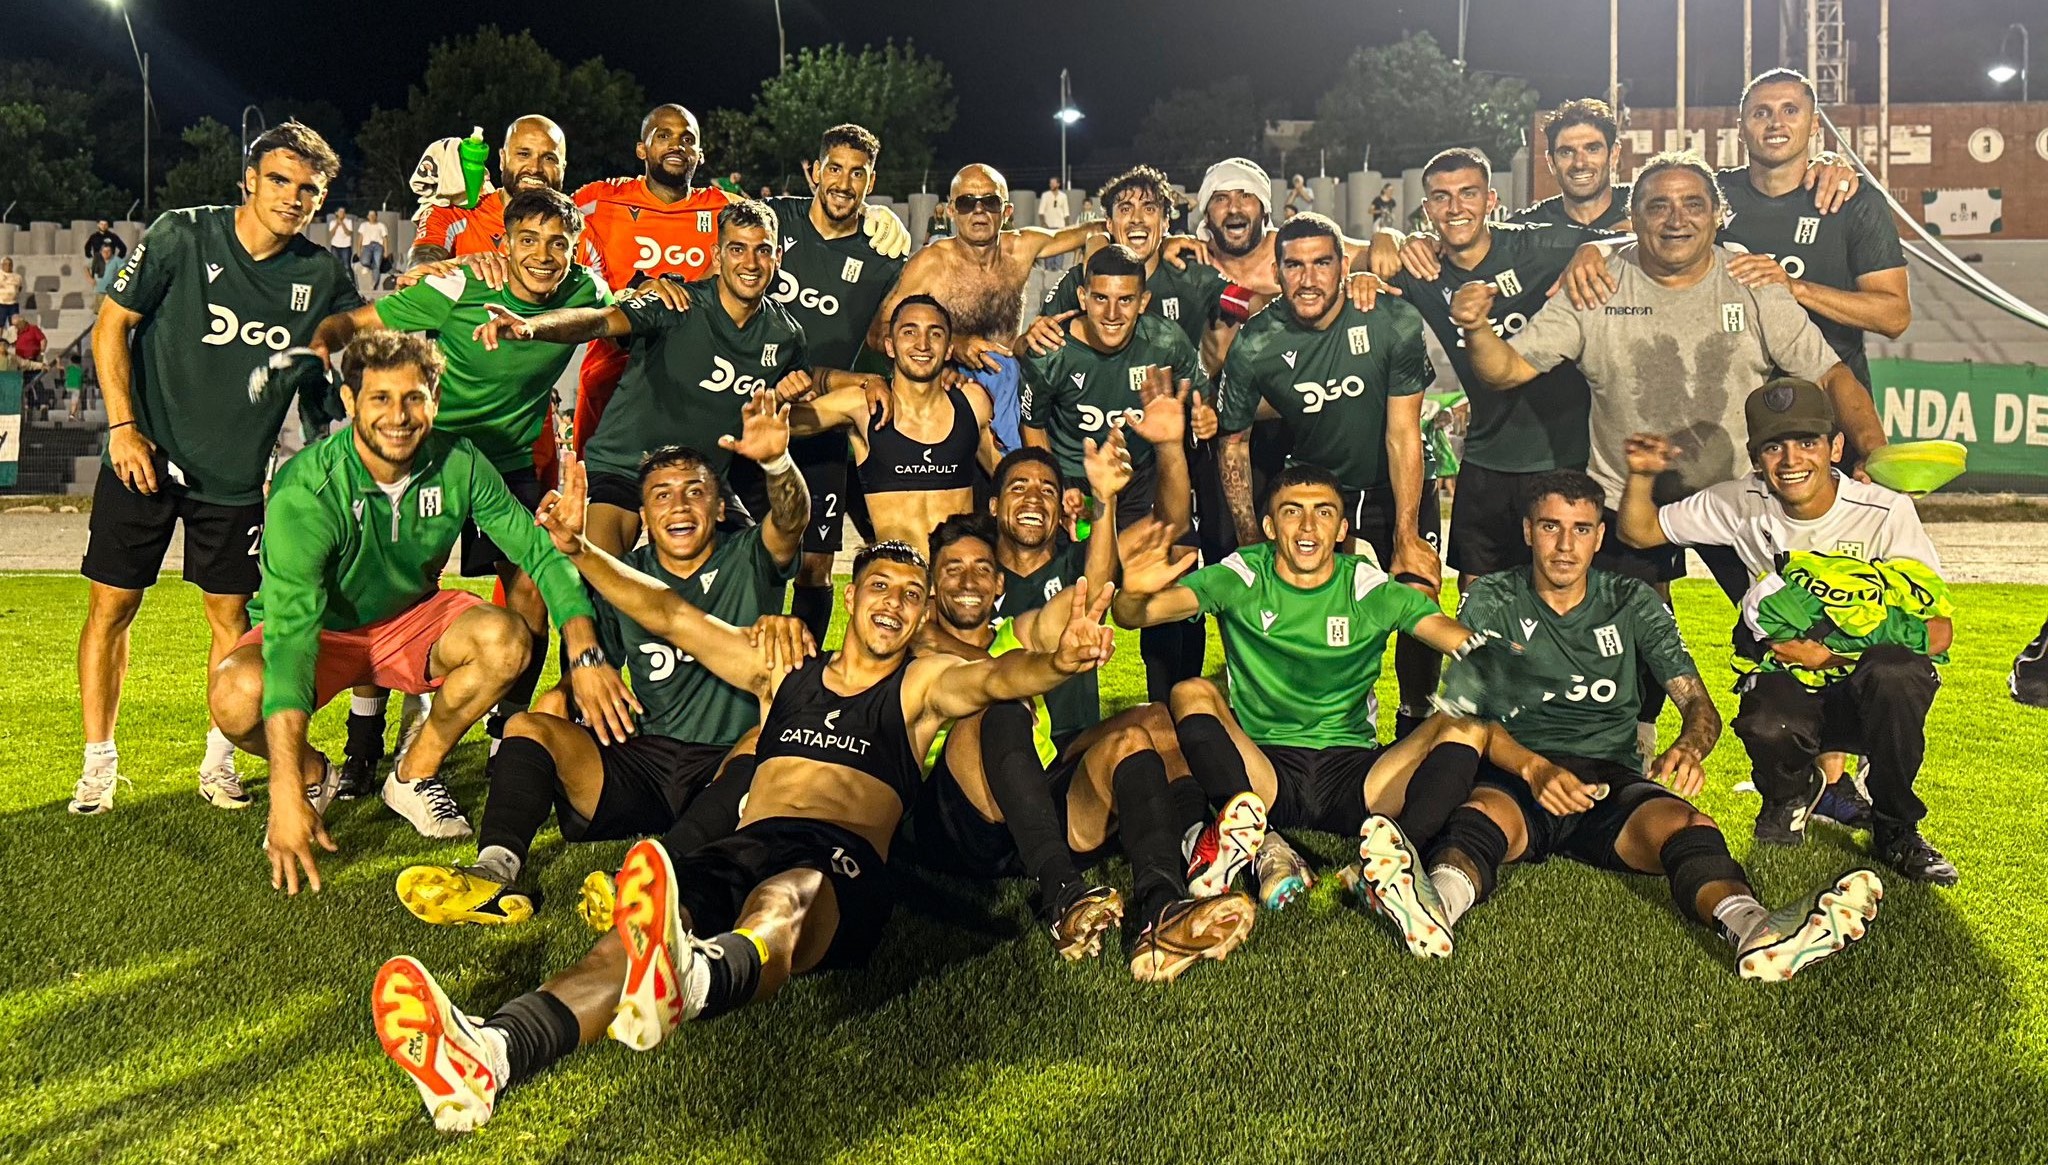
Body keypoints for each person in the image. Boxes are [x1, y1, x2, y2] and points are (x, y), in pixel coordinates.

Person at [369, 472, 1120, 1133]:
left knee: (786, 899)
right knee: (624, 950)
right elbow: (671, 615)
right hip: (745, 840)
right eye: (882, 586)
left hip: (837, 860)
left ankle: (695, 979)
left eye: (912, 596)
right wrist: (581, 552)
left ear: (924, 617)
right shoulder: (784, 671)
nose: (895, 603)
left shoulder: (919, 688)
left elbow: (995, 681)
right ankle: (494, 1051)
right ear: (853, 594)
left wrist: (1059, 659)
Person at [1354, 468, 1884, 982]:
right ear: (1527, 532)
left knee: (1689, 828)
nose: (1565, 545)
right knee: (1479, 818)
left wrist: (1688, 746)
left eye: (1580, 529)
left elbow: (1698, 705)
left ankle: (1755, 930)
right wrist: (1536, 771)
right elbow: (1471, 717)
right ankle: (1433, 906)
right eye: (1550, 527)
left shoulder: (1631, 602)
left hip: (1607, 777)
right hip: (1518, 768)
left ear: (1599, 536)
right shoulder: (1493, 598)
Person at [209, 331, 617, 863]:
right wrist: (286, 784)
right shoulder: (306, 489)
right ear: (351, 401)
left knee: (506, 641)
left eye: (413, 398)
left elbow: (538, 554)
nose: (398, 416)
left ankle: (413, 773)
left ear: (436, 400)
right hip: (323, 631)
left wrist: (585, 651)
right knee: (235, 696)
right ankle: (315, 775)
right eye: (380, 398)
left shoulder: (459, 461)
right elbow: (290, 639)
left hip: (411, 620)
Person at [394, 412, 807, 925]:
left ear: (720, 506)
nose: (678, 505)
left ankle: (648, 883)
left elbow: (790, 519)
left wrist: (777, 461)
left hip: (727, 766)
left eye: (694, 492)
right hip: (650, 761)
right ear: (644, 514)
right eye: (661, 495)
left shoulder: (750, 557)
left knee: (759, 744)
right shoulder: (626, 578)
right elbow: (596, 669)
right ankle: (493, 873)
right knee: (529, 724)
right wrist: (562, 697)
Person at [69, 121, 364, 817]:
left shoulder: (321, 274)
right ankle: (98, 765)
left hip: (234, 481)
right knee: (111, 606)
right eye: (281, 180)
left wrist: (434, 288)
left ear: (320, 202)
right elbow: (112, 324)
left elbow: (368, 333)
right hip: (143, 456)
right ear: (249, 181)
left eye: (309, 190)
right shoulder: (182, 234)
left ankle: (219, 761)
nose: (293, 198)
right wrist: (122, 429)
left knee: (231, 619)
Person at [1457, 152, 1887, 592]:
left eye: (1693, 205)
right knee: (1637, 645)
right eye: (1658, 206)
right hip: (1627, 495)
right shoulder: (1597, 283)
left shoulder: (1751, 280)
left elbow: (1831, 375)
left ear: (1718, 215)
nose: (1676, 219)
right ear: (1634, 217)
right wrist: (1474, 327)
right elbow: (1506, 370)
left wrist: (1876, 452)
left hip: (1736, 493)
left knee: (1789, 627)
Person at [313, 187, 614, 781]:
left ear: (576, 252)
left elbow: (616, 315)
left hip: (507, 461)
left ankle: (510, 732)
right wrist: (326, 342)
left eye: (559, 243)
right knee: (399, 590)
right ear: (503, 244)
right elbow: (356, 320)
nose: (544, 255)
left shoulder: (585, 291)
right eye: (528, 240)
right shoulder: (460, 286)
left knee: (531, 582)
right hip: (430, 457)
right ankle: (364, 744)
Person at [1615, 377, 1957, 884]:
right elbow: (1639, 531)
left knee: (1898, 672)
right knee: (1765, 719)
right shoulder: (1740, 502)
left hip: (1867, 690)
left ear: (1836, 447)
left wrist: (1831, 655)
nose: (1791, 459)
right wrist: (1641, 475)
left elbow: (1938, 633)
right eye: (1774, 446)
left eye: (1808, 442)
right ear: (1757, 458)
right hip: (1792, 683)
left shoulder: (1886, 511)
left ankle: (1895, 828)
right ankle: (1790, 792)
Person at [1111, 467, 1503, 908]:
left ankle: (1392, 861)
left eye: (1323, 513)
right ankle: (1264, 845)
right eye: (1292, 512)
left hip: (1357, 775)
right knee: (1190, 691)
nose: (1308, 526)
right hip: (1264, 773)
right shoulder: (1242, 576)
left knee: (1469, 723)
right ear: (1269, 526)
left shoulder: (1365, 586)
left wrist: (1490, 656)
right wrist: (1129, 594)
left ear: (1341, 529)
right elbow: (1135, 615)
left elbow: (1442, 630)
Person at [908, 510, 1257, 977]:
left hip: (1036, 800)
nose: (969, 579)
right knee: (997, 706)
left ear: (998, 586)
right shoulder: (909, 641)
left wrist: (1109, 508)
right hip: (961, 821)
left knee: (1136, 734)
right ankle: (1061, 895)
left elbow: (1085, 595)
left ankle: (1163, 907)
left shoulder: (1018, 633)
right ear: (933, 585)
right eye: (952, 569)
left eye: (983, 569)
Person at [475, 199, 869, 558]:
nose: (750, 262)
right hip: (624, 465)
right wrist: (532, 326)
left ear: (778, 257)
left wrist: (787, 400)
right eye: (737, 249)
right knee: (597, 576)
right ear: (717, 255)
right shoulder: (674, 301)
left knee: (755, 567)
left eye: (762, 250)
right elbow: (599, 321)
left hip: (702, 479)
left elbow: (778, 408)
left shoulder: (786, 335)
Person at [571, 107, 910, 459]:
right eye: (663, 136)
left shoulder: (726, 208)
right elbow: (538, 223)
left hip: (729, 398)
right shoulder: (598, 200)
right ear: (641, 147)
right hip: (616, 379)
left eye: (687, 139)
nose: (676, 145)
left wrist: (873, 212)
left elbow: (886, 330)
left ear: (700, 155)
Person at [1217, 212, 1443, 737]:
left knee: (1420, 596)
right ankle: (1333, 720)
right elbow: (1233, 445)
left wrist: (1407, 532)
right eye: (1294, 265)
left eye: (1322, 263)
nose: (1309, 278)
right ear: (1276, 272)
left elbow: (1403, 432)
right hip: (1322, 492)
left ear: (1345, 266)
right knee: (1312, 605)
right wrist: (1252, 541)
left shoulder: (1392, 319)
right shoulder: (1255, 342)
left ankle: (1415, 720)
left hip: (1394, 482)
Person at [1367, 148, 1606, 589]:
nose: (1456, 208)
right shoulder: (1423, 268)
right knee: (1477, 594)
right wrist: (1384, 238)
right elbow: (1326, 255)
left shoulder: (1537, 244)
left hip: (1566, 453)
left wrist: (1593, 247)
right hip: (1486, 455)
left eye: (1468, 193)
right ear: (1427, 209)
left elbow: (1633, 235)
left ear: (1491, 200)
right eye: (1441, 197)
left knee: (1570, 593)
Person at [1019, 245, 1209, 700]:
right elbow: (1033, 424)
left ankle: (1174, 704)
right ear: (1082, 296)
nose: (1112, 312)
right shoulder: (1051, 353)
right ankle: (1063, 712)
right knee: (1076, 596)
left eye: (1125, 300)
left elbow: (1198, 398)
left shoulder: (1166, 342)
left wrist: (1203, 419)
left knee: (1171, 572)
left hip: (1141, 480)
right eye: (1101, 298)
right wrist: (1058, 486)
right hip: (1076, 488)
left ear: (1143, 301)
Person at [762, 124, 912, 644]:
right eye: (834, 168)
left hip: (824, 429)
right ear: (813, 171)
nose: (844, 183)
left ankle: (800, 676)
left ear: (871, 182)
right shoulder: (774, 220)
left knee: (817, 564)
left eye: (858, 173)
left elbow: (923, 311)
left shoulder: (885, 255)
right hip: (755, 414)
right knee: (751, 555)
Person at [868, 164, 1098, 451]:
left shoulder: (1021, 248)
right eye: (966, 203)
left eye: (990, 202)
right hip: (946, 386)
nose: (978, 211)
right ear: (951, 211)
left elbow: (1091, 231)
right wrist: (953, 345)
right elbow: (879, 335)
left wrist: (1164, 244)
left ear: (1007, 211)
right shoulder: (931, 263)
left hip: (1007, 386)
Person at [788, 295, 991, 554]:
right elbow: (780, 422)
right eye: (909, 332)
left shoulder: (973, 403)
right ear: (890, 346)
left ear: (949, 349)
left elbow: (1009, 474)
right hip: (898, 584)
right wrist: (860, 380)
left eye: (935, 334)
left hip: (953, 581)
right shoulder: (862, 404)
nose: (923, 344)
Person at [413, 116, 570, 263]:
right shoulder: (457, 213)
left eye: (549, 158)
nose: (535, 168)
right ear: (502, 159)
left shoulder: (578, 223)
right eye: (523, 154)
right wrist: (462, 269)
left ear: (563, 168)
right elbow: (420, 269)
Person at [356, 210, 389, 286]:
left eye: (374, 215)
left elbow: (385, 239)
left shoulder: (381, 225)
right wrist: (358, 250)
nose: (372, 217)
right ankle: (371, 267)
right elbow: (360, 238)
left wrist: (386, 251)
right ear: (368, 217)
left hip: (378, 246)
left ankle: (374, 283)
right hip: (367, 246)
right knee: (364, 261)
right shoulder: (363, 225)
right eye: (370, 215)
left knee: (377, 265)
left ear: (376, 216)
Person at [0, 257, 21, 329]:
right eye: (5, 264)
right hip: (1, 304)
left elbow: (20, 288)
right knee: (0, 325)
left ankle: (14, 340)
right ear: (2, 265)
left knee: (15, 325)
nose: (8, 266)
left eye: (10, 264)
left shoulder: (17, 277)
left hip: (13, 304)